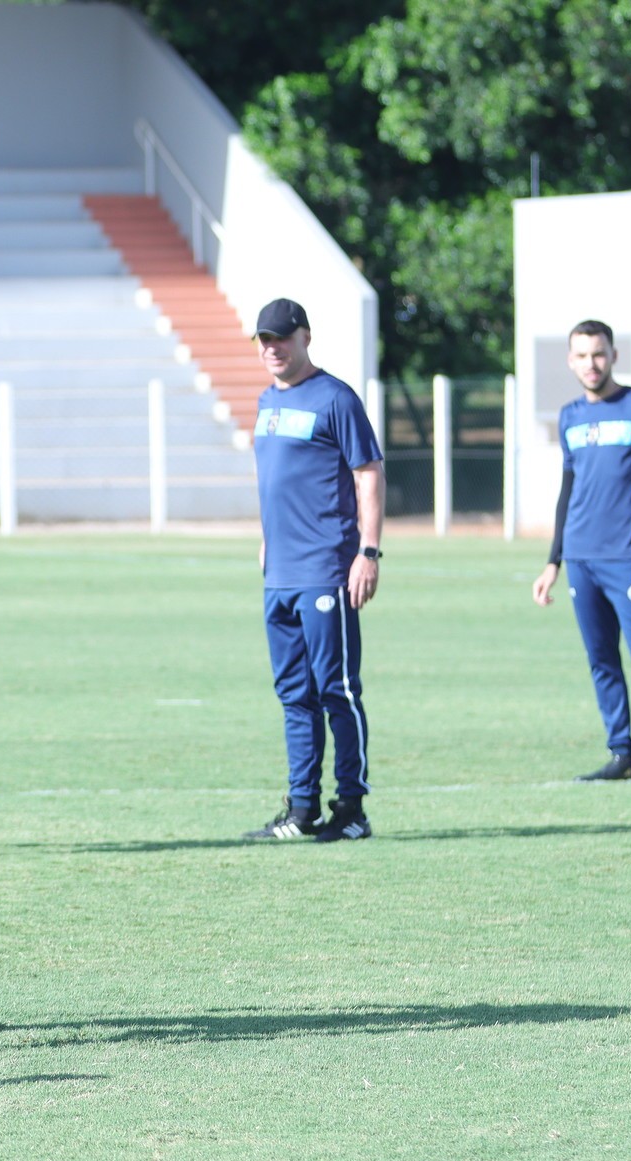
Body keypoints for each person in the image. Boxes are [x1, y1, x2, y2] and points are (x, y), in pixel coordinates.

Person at [241, 298, 384, 843]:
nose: (272, 348)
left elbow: (368, 473)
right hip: (279, 572)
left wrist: (368, 551)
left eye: (281, 337)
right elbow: (277, 480)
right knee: (293, 693)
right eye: (264, 340)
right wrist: (267, 538)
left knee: (336, 691)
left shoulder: (336, 398)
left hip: (326, 569)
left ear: (305, 337)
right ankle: (303, 809)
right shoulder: (265, 401)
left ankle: (352, 809)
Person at [532, 320, 631, 783]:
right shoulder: (569, 416)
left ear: (614, 356)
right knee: (601, 659)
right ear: (570, 361)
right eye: (582, 356)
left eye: (599, 354)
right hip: (581, 560)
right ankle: (622, 755)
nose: (591, 364)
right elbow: (568, 492)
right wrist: (553, 561)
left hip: (630, 558)